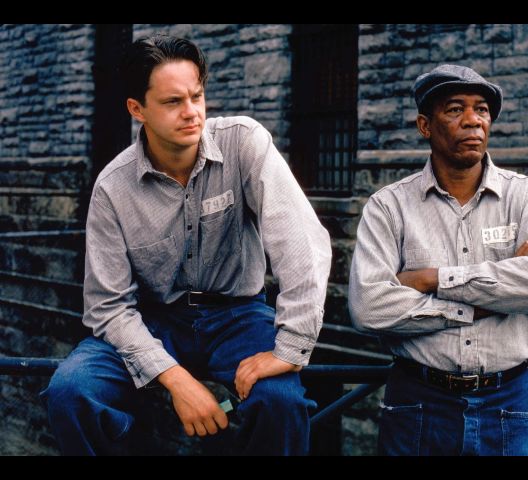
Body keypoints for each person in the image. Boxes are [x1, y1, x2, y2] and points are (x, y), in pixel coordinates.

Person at [42, 34, 332, 456]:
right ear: (137, 109)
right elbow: (108, 306)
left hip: (239, 315)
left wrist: (290, 349)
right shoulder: (112, 187)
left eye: (197, 96)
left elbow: (301, 243)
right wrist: (175, 378)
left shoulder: (243, 142)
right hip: (152, 320)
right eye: (172, 102)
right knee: (71, 392)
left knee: (281, 402)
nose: (191, 112)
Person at [348, 64, 528, 456]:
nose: (473, 120)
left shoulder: (526, 197)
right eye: (455, 109)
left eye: (481, 109)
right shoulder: (389, 207)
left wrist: (432, 280)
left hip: (509, 403)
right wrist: (492, 299)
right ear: (425, 125)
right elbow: (369, 308)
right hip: (418, 403)